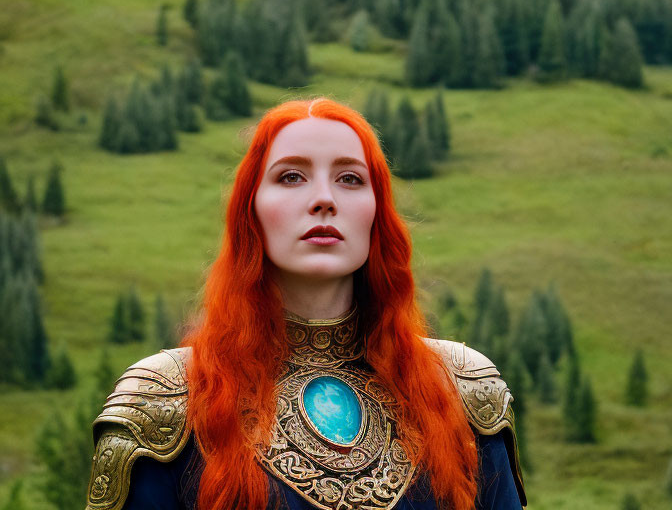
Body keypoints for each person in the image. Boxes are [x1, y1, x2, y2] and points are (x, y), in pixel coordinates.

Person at [86, 98, 526, 510]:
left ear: (377, 213)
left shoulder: (461, 392)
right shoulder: (166, 402)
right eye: (291, 176)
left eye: (350, 178)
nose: (324, 200)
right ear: (251, 210)